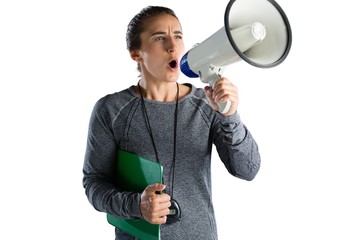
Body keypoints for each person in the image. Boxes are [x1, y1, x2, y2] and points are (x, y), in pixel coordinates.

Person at [83, 5, 261, 240]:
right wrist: (136, 205)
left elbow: (248, 170)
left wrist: (230, 116)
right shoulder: (111, 110)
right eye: (160, 38)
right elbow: (94, 184)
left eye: (178, 36)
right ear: (136, 53)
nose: (172, 46)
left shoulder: (208, 104)